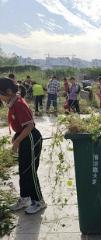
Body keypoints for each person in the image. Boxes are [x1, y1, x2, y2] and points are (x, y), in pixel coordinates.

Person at [0, 77, 46, 214]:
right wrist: (16, 138)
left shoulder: (19, 103)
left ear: (8, 91)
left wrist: (17, 141)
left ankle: (38, 201)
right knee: (23, 170)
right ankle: (25, 197)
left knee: (29, 171)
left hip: (30, 138)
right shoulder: (13, 103)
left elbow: (30, 126)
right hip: (24, 137)